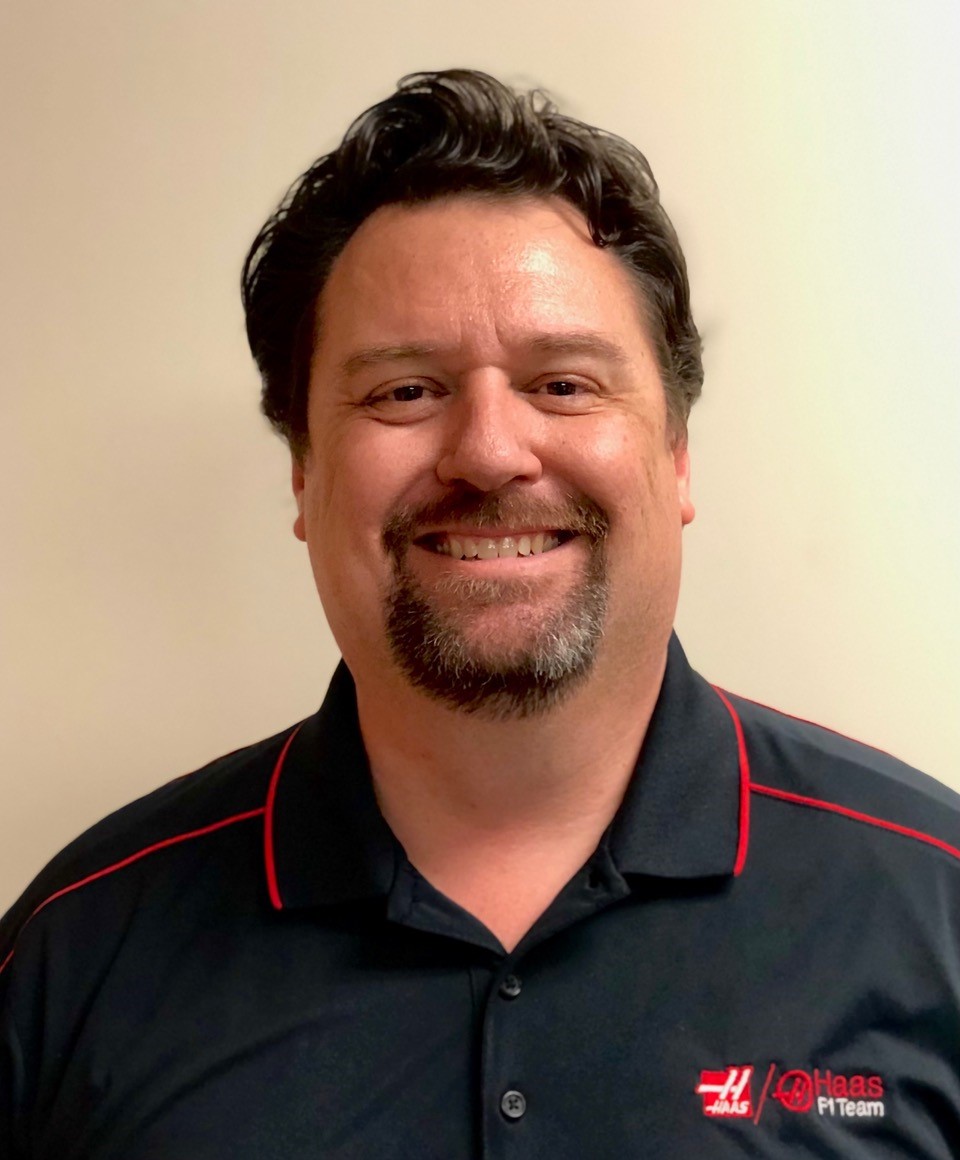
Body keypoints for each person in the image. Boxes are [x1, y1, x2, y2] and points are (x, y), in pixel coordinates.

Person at [2, 69, 959, 1159]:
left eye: (563, 384)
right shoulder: (73, 953)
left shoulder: (935, 906)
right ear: (305, 474)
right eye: (405, 391)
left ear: (678, 456)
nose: (491, 452)